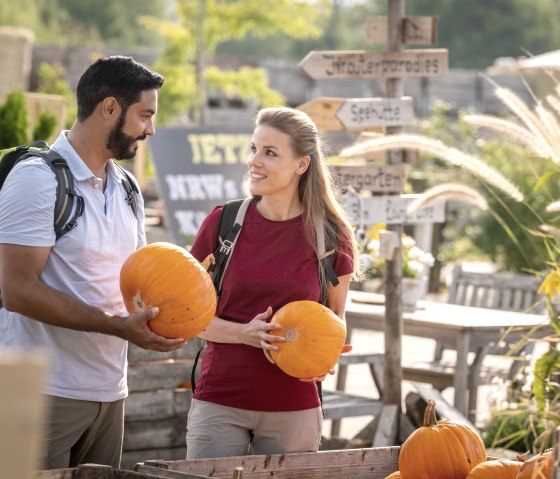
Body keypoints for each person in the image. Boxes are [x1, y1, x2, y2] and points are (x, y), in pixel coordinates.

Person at [0, 56, 186, 470]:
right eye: (145, 115)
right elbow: (17, 291)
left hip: (109, 392)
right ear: (109, 109)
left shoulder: (127, 187)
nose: (150, 129)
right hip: (43, 392)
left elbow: (138, 280)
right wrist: (118, 327)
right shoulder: (37, 178)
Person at [186, 106, 361, 459]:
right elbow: (187, 315)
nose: (255, 161)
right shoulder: (223, 224)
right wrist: (243, 334)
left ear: (302, 164)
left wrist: (329, 351)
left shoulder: (330, 236)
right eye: (253, 149)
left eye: (269, 153)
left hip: (294, 404)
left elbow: (336, 316)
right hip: (221, 399)